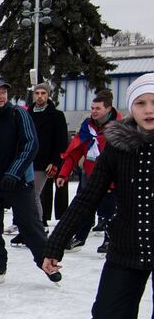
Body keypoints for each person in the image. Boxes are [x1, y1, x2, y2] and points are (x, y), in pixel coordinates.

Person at [43, 74, 154, 319]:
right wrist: (56, 242)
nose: (149, 110)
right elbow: (87, 197)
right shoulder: (117, 148)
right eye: (141, 103)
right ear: (130, 108)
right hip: (125, 247)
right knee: (107, 318)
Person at [0, 77, 55, 285]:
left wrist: (14, 173)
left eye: (3, 92)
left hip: (19, 183)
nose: (1, 96)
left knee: (29, 226)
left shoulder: (18, 114)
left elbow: (30, 144)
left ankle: (48, 264)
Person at [56, 91, 122, 251]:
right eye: (92, 108)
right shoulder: (88, 125)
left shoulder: (119, 126)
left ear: (108, 109)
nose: (93, 111)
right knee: (84, 208)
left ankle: (110, 239)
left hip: (111, 177)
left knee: (109, 211)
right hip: (89, 174)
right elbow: (75, 151)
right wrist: (64, 173)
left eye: (97, 108)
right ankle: (79, 237)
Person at [27, 82, 69, 235]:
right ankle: (29, 226)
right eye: (37, 93)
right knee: (26, 196)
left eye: (43, 93)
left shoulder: (56, 116)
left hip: (43, 162)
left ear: (48, 95)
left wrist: (55, 162)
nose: (40, 96)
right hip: (26, 160)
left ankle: (37, 226)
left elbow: (61, 142)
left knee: (34, 195)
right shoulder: (27, 114)